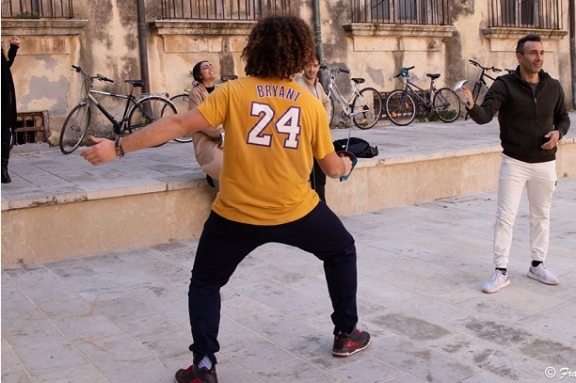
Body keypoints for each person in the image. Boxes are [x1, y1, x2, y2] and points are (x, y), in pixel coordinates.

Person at [80, 15, 370, 383]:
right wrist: (346, 162)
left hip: (235, 215)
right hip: (296, 211)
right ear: (301, 54)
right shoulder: (309, 104)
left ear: (255, 48)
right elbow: (329, 168)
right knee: (341, 250)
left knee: (205, 282)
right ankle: (346, 335)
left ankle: (204, 365)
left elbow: (177, 125)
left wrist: (119, 146)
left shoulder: (234, 92)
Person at [458, 34, 570, 294]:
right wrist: (472, 106)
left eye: (541, 53)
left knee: (541, 215)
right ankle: (500, 271)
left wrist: (558, 133)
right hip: (514, 162)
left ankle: (537, 265)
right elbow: (485, 115)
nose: (538, 58)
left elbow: (563, 118)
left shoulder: (553, 86)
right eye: (533, 53)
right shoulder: (504, 85)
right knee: (505, 217)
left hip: (545, 164)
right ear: (519, 56)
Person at [295, 54, 332, 203]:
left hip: (318, 138)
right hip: (304, 139)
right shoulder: (298, 85)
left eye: (315, 66)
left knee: (319, 177)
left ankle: (320, 206)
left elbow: (327, 102)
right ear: (303, 66)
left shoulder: (317, 85)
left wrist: (324, 121)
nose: (312, 69)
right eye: (309, 65)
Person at [189, 60, 224, 187]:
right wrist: (222, 133)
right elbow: (198, 120)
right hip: (207, 139)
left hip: (226, 137)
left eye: (211, 65)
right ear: (199, 75)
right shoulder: (196, 93)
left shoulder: (222, 90)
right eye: (205, 67)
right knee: (223, 165)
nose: (210, 67)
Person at [1, 36, 20, 184]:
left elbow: (5, 67)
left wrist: (12, 49)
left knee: (4, 134)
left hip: (4, 98)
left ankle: (3, 170)